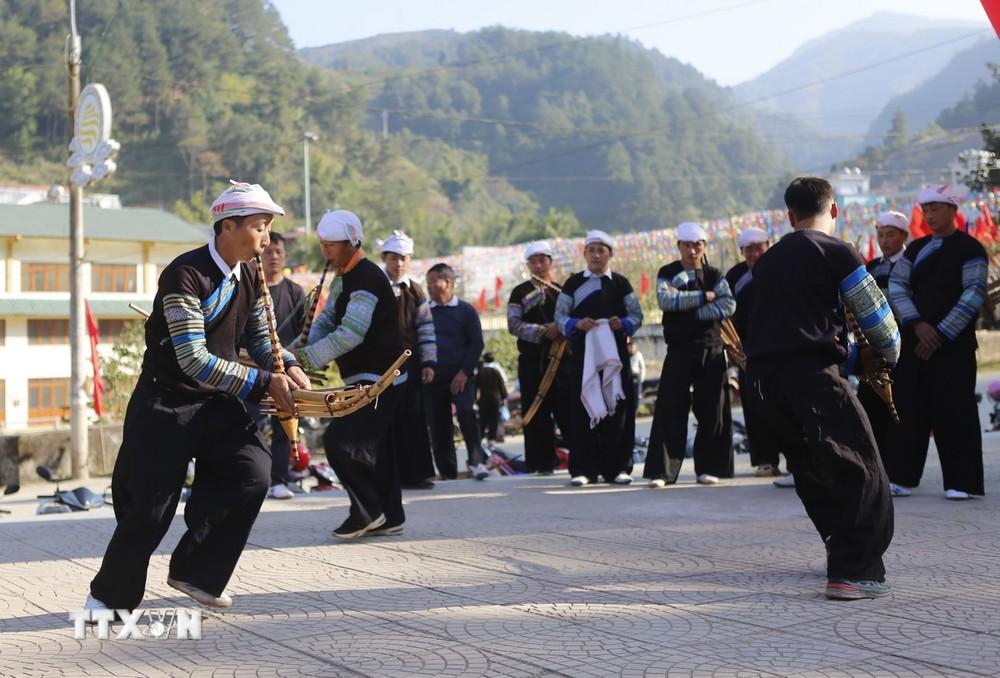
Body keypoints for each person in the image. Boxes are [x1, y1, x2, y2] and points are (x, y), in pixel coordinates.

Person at [86, 181, 308, 612]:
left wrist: (290, 367)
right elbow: (193, 359)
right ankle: (108, 597)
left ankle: (197, 572)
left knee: (253, 473)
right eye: (260, 227)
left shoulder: (250, 273)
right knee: (150, 509)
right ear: (228, 226)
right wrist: (265, 383)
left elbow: (263, 340)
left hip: (215, 402)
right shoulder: (184, 274)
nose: (267, 239)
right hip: (166, 404)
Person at [745, 176, 900, 600]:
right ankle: (854, 571)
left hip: (761, 384)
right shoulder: (836, 250)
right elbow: (877, 318)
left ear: (790, 216)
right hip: (811, 378)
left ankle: (839, 548)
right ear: (834, 210)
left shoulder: (768, 260)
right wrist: (892, 354)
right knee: (862, 467)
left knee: (813, 469)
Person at [292, 210, 408, 538]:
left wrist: (306, 357)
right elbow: (328, 321)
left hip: (382, 379)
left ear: (351, 242)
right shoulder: (345, 277)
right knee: (378, 449)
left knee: (341, 442)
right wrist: (289, 354)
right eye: (323, 245)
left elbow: (350, 334)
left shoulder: (368, 277)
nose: (326, 252)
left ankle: (367, 511)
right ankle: (391, 516)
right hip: (364, 377)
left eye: (332, 245)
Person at [888, 185, 987, 500]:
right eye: (926, 209)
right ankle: (903, 477)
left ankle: (961, 481)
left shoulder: (971, 249)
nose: (930, 215)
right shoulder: (916, 250)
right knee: (909, 408)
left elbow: (972, 295)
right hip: (915, 343)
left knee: (955, 411)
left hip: (954, 347)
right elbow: (897, 287)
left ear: (953, 210)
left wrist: (941, 332)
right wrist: (917, 324)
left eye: (936, 209)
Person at [644, 222, 735, 488]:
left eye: (697, 245)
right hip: (679, 350)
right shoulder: (668, 272)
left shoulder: (715, 273)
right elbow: (665, 300)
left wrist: (692, 312)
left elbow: (728, 304)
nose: (692, 250)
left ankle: (709, 467)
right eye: (687, 245)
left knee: (712, 410)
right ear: (678, 247)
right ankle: (663, 472)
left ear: (704, 247)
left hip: (712, 348)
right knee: (671, 409)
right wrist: (704, 297)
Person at [554, 230, 643, 486]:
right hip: (583, 357)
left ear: (610, 254)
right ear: (584, 254)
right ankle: (583, 469)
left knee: (619, 410)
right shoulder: (572, 284)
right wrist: (576, 323)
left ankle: (618, 468)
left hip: (616, 357)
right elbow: (560, 317)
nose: (595, 255)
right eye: (591, 250)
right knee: (582, 410)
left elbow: (636, 315)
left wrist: (623, 323)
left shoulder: (621, 283)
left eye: (601, 250)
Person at [724, 226, 791, 485]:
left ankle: (794, 460)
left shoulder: (783, 270)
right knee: (754, 407)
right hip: (747, 352)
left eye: (759, 247)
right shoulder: (735, 276)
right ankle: (765, 460)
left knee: (784, 406)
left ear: (768, 246)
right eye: (748, 249)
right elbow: (727, 313)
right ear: (742, 252)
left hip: (780, 348)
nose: (755, 253)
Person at [507, 241, 574, 475]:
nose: (538, 265)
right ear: (528, 265)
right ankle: (541, 464)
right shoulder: (520, 291)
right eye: (533, 261)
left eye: (542, 260)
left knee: (567, 409)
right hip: (532, 360)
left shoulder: (563, 290)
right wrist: (544, 330)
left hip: (562, 360)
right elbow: (513, 325)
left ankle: (579, 460)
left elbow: (572, 320)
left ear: (550, 262)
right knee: (536, 412)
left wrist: (561, 328)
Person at [380, 230, 438, 489]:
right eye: (394, 258)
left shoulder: (416, 291)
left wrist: (428, 362)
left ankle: (418, 474)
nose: (399, 263)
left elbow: (426, 328)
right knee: (385, 419)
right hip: (380, 366)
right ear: (385, 258)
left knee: (413, 418)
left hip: (410, 364)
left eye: (404, 258)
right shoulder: (375, 285)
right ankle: (389, 475)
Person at [424, 263, 489, 480]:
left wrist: (464, 372)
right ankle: (447, 471)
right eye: (428, 282)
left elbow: (476, 344)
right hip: (434, 377)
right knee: (438, 423)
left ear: (448, 283)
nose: (430, 286)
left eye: (434, 281)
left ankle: (476, 460)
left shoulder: (466, 311)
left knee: (466, 412)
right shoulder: (425, 311)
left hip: (462, 376)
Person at [856, 211, 908, 481]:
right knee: (871, 407)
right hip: (874, 348)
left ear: (904, 237)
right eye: (881, 235)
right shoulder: (872, 266)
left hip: (903, 344)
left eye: (891, 235)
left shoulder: (911, 263)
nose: (885, 240)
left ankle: (898, 469)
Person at [255, 231, 306, 500]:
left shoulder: (295, 292)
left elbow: (303, 336)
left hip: (286, 371)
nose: (273, 256)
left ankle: (279, 480)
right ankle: (255, 479)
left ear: (285, 256)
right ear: (259, 254)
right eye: (269, 251)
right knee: (251, 424)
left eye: (278, 252)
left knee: (284, 428)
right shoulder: (251, 288)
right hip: (252, 368)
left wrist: (295, 365)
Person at [477, 353, 508, 445]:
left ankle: (480, 437)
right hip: (495, 399)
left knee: (482, 419)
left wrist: (474, 399)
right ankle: (492, 438)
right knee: (494, 419)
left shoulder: (480, 372)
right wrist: (504, 396)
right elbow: (502, 385)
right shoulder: (496, 371)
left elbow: (476, 386)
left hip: (483, 399)